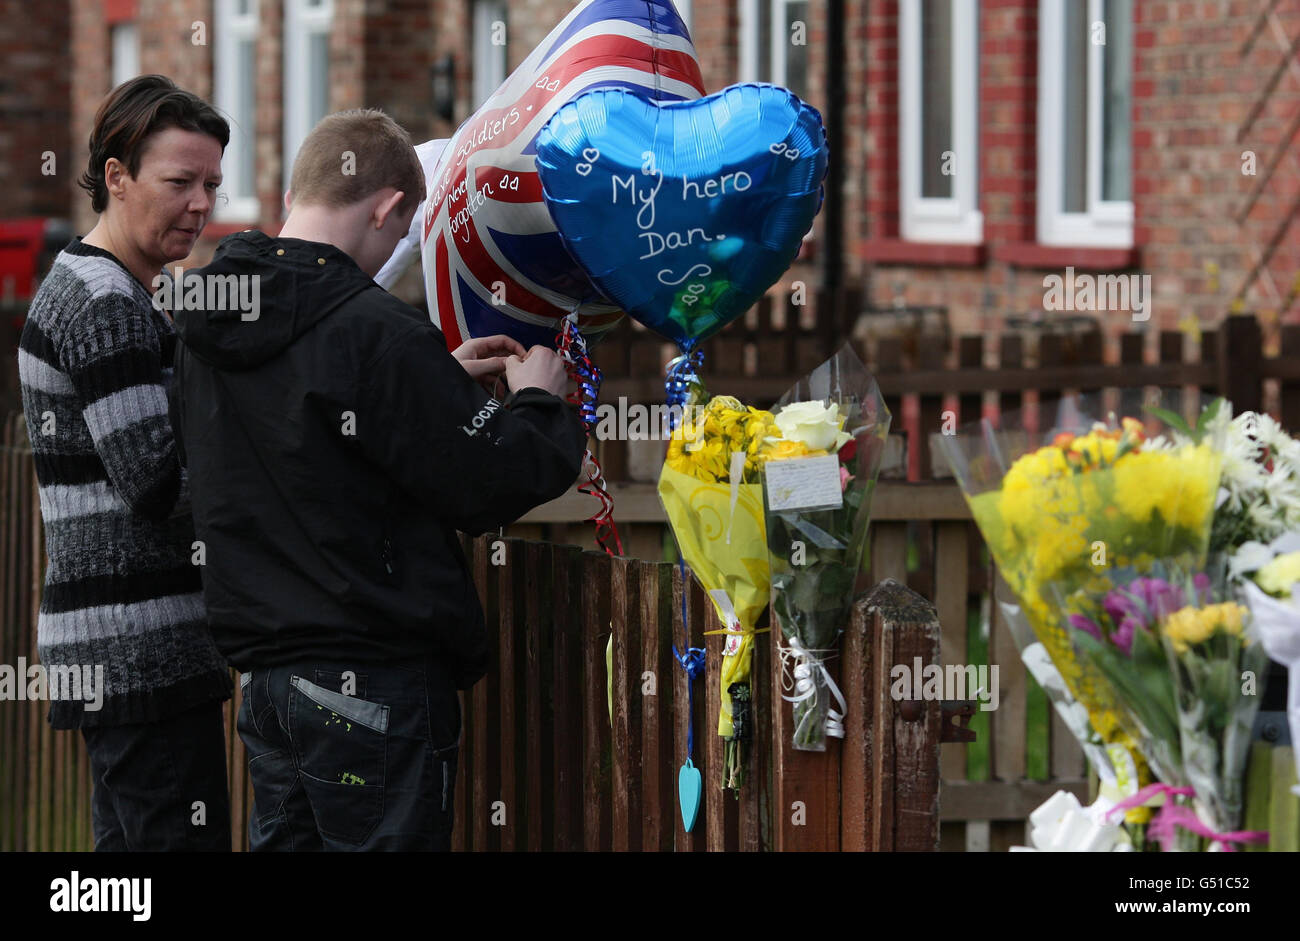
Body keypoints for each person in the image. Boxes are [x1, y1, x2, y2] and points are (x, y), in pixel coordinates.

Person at [171, 108, 586, 851]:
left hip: (267, 684)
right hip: (368, 678)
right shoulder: (373, 330)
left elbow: (302, 433)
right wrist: (538, 400)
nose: (398, 248)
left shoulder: (207, 318)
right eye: (404, 231)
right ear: (388, 204)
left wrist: (432, 385)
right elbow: (489, 478)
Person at [17, 75, 234, 851]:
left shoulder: (108, 288)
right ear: (117, 175)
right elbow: (157, 484)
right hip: (141, 655)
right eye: (180, 182)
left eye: (212, 183)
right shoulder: (106, 302)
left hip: (119, 653)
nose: (201, 204)